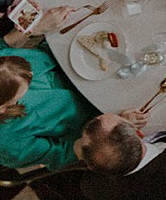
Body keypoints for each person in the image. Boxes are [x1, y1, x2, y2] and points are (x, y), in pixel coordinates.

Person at [0, 42, 97, 171]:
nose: (32, 73)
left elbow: (42, 55)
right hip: (93, 113)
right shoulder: (9, 146)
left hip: (78, 60)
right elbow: (61, 154)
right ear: (3, 108)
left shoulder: (6, 66)